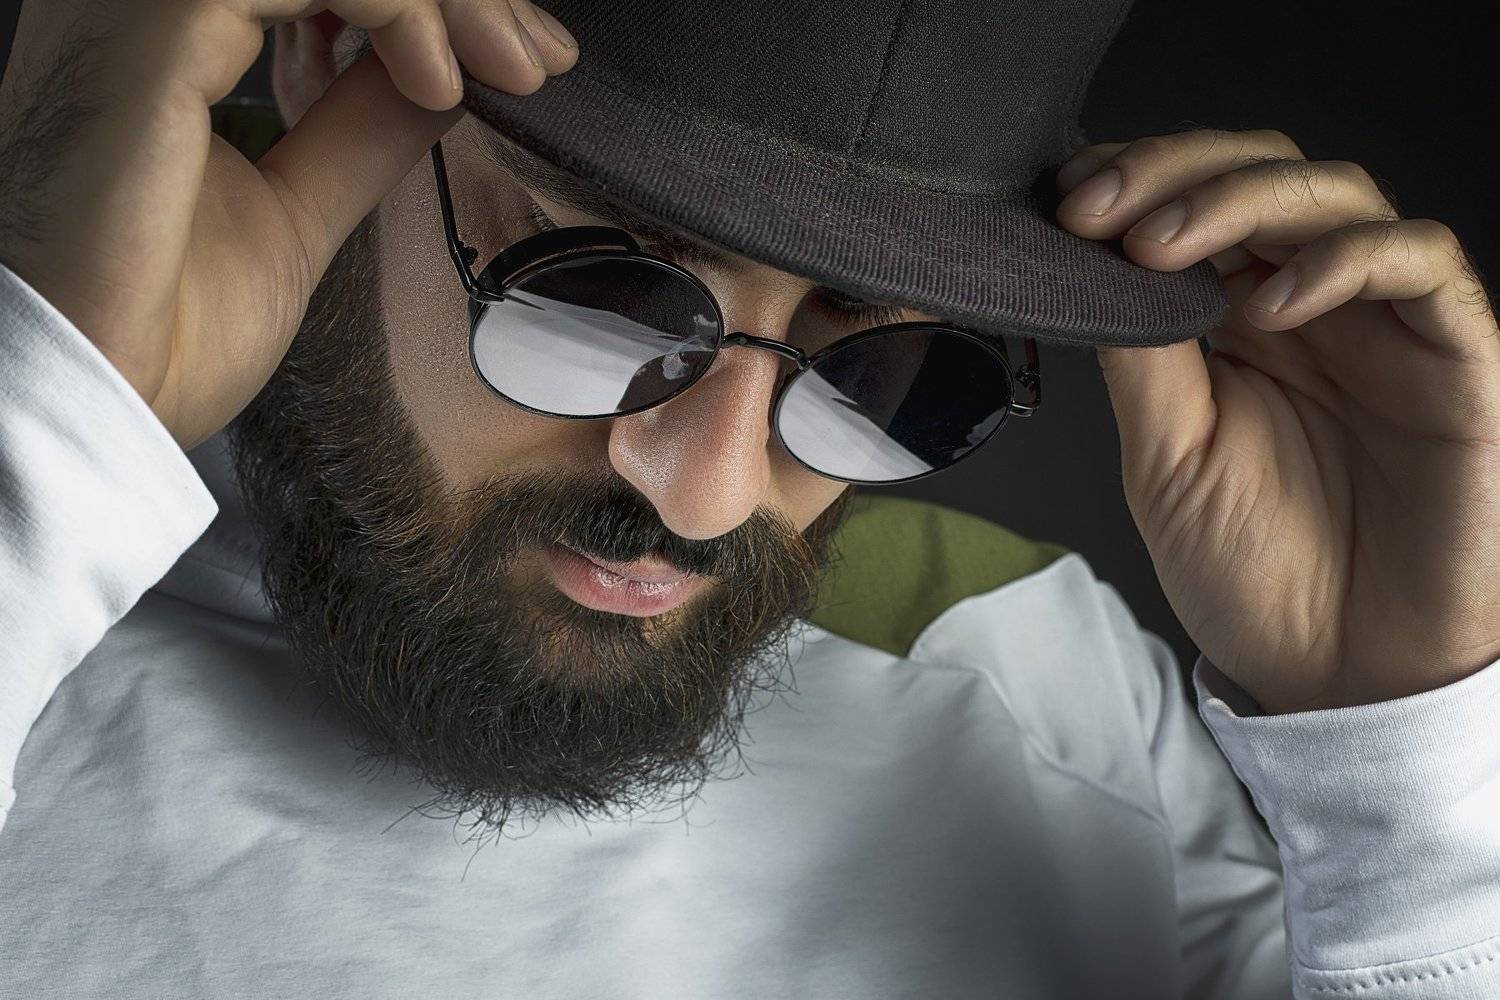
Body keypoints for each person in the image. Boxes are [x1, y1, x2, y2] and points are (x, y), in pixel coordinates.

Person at [0, 1, 1496, 997]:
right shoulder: (40, 565)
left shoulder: (1026, 667)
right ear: (333, 60)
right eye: (597, 294)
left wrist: (1410, 790)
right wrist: (49, 431)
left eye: (882, 365)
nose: (710, 497)